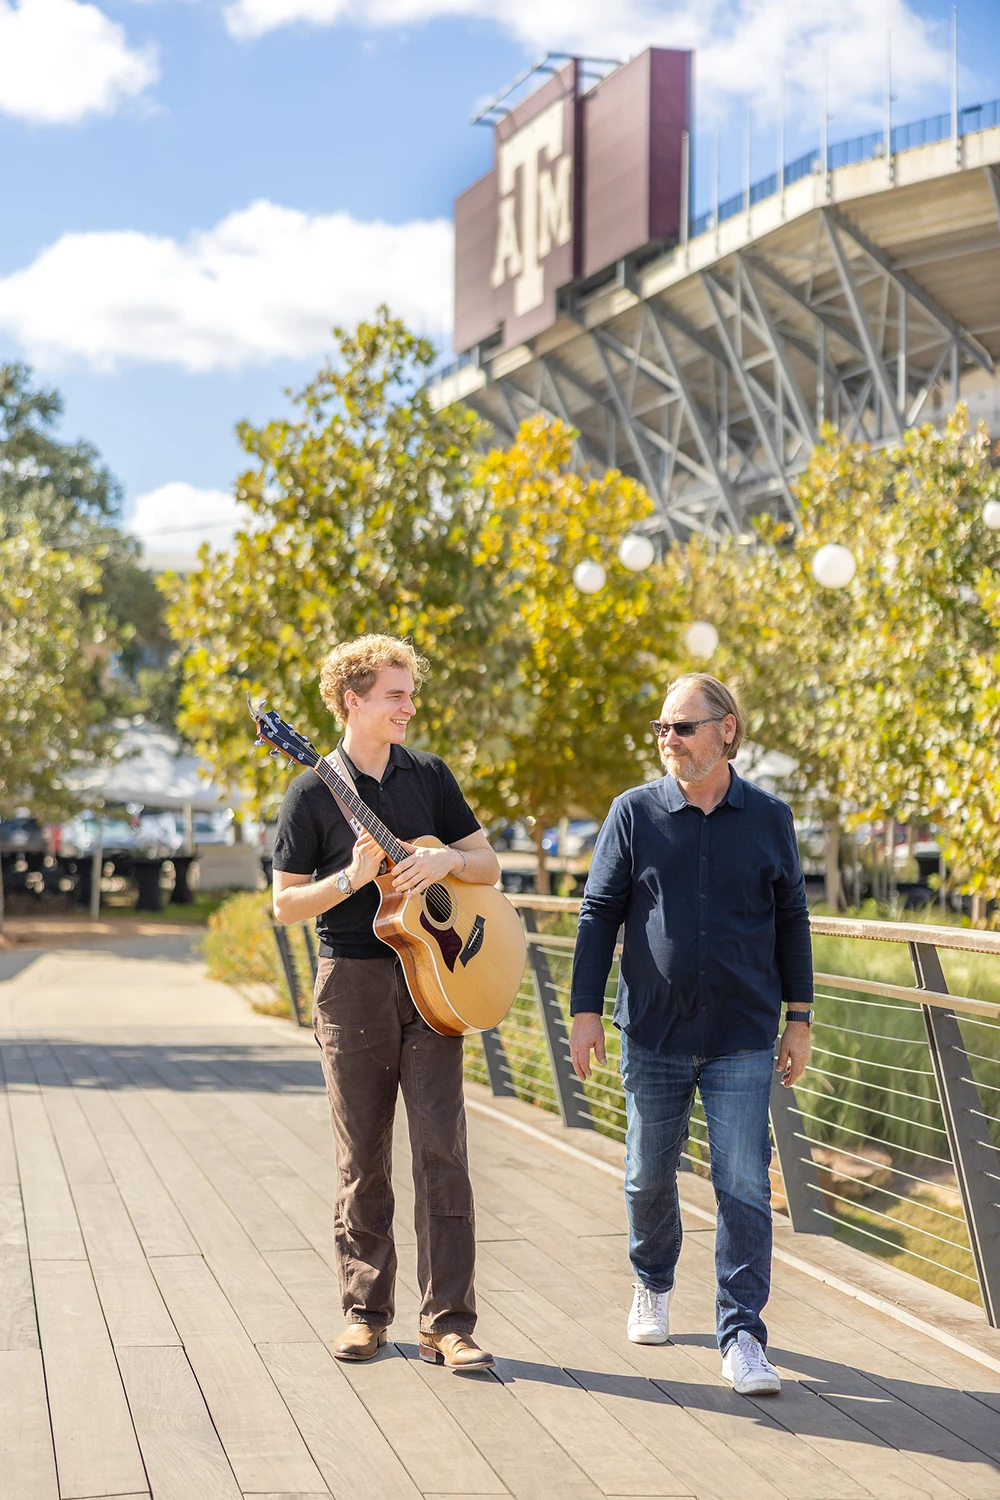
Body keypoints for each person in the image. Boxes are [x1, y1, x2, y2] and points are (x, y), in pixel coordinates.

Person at [569, 673, 813, 1396]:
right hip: (653, 1029)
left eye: (682, 727)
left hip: (743, 1031)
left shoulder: (770, 817)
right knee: (648, 1174)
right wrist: (585, 1011)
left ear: (727, 730)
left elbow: (793, 919)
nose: (667, 741)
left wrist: (799, 1017)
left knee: (741, 1182)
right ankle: (652, 1280)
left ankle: (742, 1335)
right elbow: (598, 913)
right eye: (662, 729)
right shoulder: (633, 812)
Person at [271, 634, 501, 1372]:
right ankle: (365, 1314)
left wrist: (445, 860)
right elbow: (284, 905)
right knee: (361, 1160)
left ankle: (451, 1324)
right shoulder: (311, 790)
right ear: (352, 701)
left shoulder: (428, 776)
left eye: (409, 692)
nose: (409, 705)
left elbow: (488, 865)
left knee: (444, 1153)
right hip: (354, 987)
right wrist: (350, 879)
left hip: (435, 983)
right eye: (395, 694)